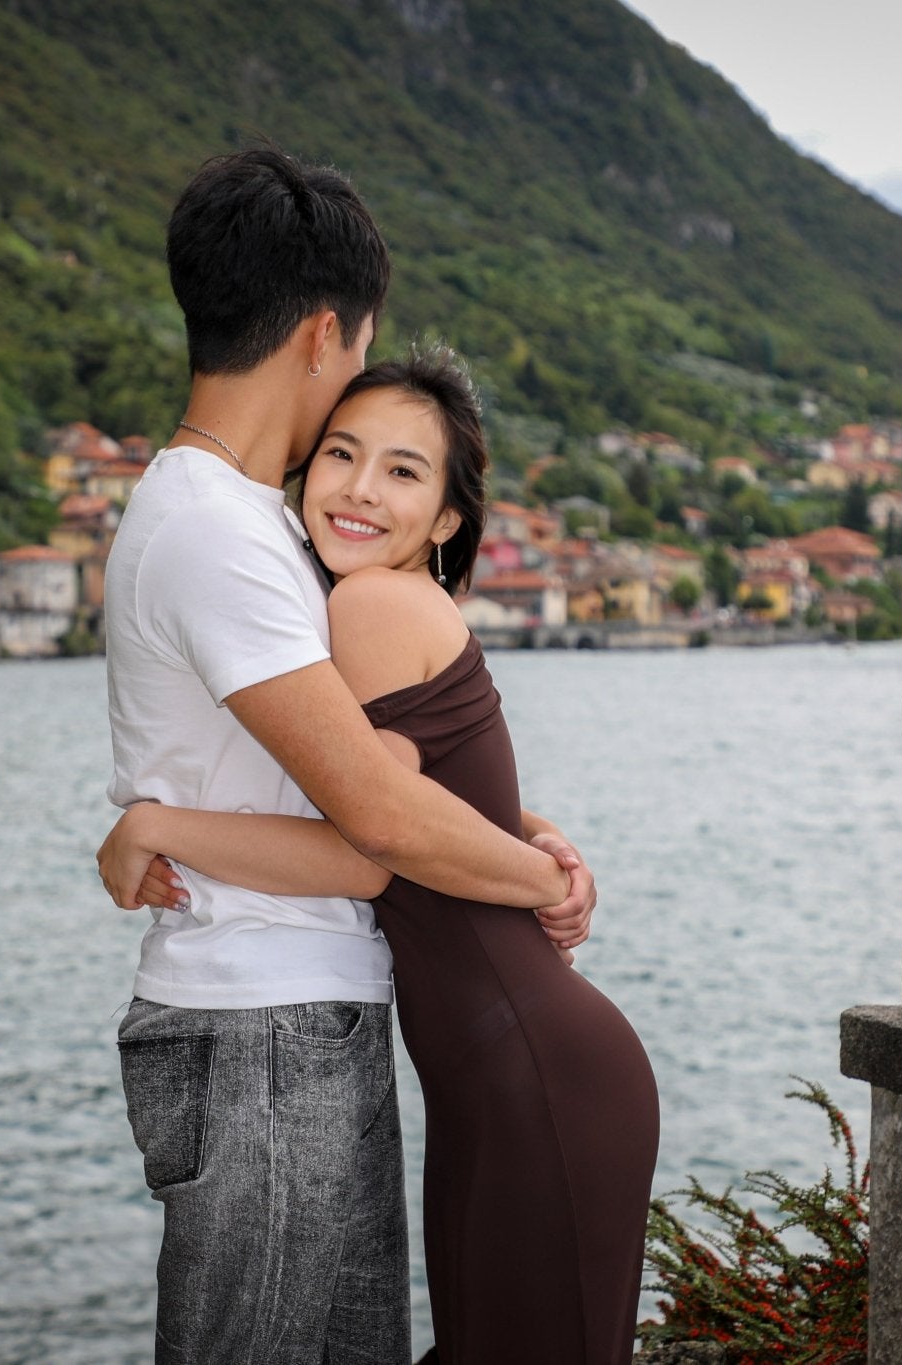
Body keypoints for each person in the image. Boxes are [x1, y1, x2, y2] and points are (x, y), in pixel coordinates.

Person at [96, 147, 599, 1365]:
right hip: (259, 1026)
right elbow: (377, 821)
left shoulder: (246, 521)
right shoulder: (218, 532)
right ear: (327, 332)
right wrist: (547, 886)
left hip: (290, 1022)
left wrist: (508, 828)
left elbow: (388, 770)